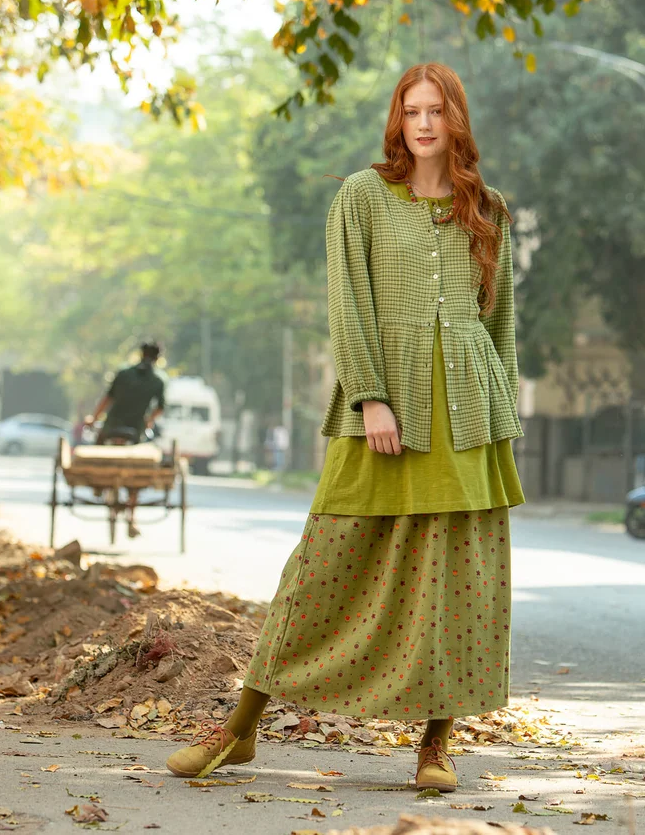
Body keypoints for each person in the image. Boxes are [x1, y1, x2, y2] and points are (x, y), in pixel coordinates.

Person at [165, 63, 525, 792]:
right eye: (411, 110)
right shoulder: (361, 196)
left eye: (437, 111)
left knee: (455, 584)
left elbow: (500, 321)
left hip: (467, 412)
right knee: (320, 566)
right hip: (385, 404)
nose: (423, 124)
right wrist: (370, 396)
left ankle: (435, 746)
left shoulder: (488, 206)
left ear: (457, 120)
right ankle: (238, 730)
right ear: (398, 119)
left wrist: (502, 416)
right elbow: (347, 305)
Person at [87, 340, 166, 538]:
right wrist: (149, 420)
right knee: (136, 472)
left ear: (140, 354)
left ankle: (98, 485)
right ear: (157, 358)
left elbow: (107, 399)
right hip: (135, 431)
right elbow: (160, 408)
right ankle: (132, 517)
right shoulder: (158, 380)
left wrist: (93, 419)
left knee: (99, 445)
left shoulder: (123, 374)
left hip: (111, 427)